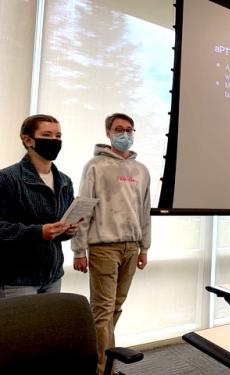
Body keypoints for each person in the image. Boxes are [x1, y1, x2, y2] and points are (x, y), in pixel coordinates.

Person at [72, 113, 151, 375]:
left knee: (115, 307)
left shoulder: (141, 170)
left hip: (131, 246)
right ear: (108, 133)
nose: (125, 134)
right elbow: (84, 208)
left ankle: (106, 361)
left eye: (129, 130)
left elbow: (144, 211)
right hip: (103, 247)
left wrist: (145, 247)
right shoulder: (95, 166)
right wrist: (79, 249)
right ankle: (100, 368)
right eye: (119, 129)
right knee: (103, 310)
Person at [0, 114, 79, 298]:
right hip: (18, 279)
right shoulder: (7, 179)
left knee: (48, 327)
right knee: (22, 328)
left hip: (53, 276)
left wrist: (68, 230)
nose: (54, 141)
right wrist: (38, 232)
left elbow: (59, 232)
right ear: (28, 140)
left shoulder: (65, 181)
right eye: (47, 135)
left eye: (58, 136)